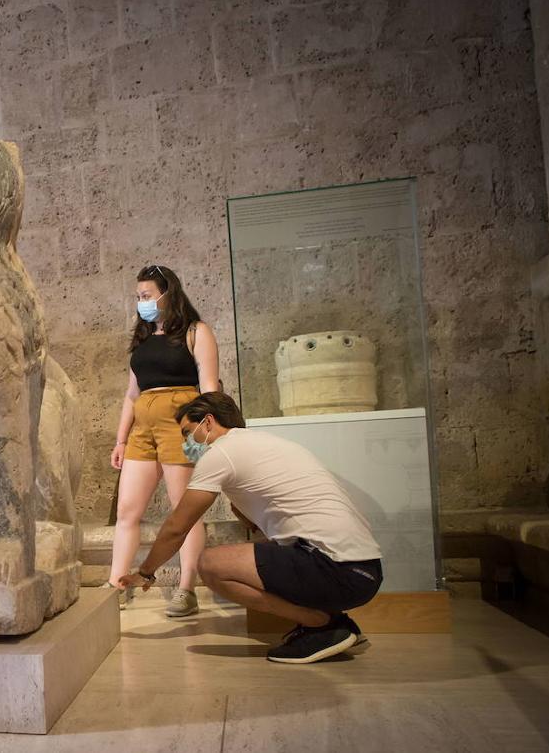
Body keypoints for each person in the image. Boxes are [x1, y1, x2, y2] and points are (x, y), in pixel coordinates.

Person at [120, 392, 384, 664]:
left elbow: (177, 527)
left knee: (211, 565)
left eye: (188, 433)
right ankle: (335, 622)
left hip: (338, 570)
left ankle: (322, 624)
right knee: (260, 550)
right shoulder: (263, 443)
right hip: (365, 570)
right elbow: (258, 527)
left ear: (208, 422)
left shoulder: (220, 453)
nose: (186, 444)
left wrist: (146, 572)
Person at [106, 264, 219, 617]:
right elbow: (131, 394)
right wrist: (121, 440)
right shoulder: (142, 339)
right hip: (143, 425)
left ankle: (186, 588)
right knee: (127, 510)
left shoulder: (196, 331)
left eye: (147, 295)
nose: (142, 302)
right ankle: (116, 585)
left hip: (179, 421)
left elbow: (209, 385)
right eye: (138, 296)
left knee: (183, 509)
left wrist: (208, 431)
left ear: (169, 293)